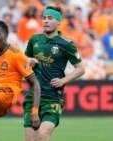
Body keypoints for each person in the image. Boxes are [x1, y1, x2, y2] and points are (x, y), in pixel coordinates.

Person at [23, 6, 85, 141]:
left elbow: (81, 68)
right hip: (32, 97)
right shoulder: (34, 39)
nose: (45, 21)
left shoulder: (66, 44)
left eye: (50, 18)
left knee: (43, 134)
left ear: (58, 22)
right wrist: (28, 60)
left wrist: (63, 80)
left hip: (53, 97)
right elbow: (23, 61)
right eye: (44, 18)